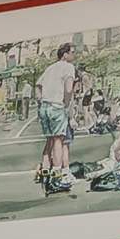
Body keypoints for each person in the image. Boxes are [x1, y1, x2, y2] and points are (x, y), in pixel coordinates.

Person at [35, 43, 79, 184]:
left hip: (45, 107)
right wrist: (66, 104)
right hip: (57, 106)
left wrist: (41, 101)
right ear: (64, 54)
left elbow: (38, 86)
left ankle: (46, 171)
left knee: (50, 140)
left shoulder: (50, 68)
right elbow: (68, 89)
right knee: (59, 140)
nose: (74, 55)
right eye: (72, 52)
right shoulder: (69, 67)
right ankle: (58, 174)